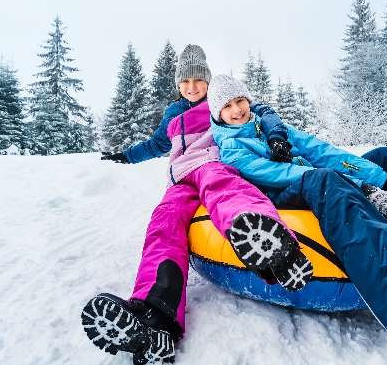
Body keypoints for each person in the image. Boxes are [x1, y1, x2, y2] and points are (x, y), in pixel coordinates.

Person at [207, 74, 387, 365]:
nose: (237, 109)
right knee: (324, 179)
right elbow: (284, 175)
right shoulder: (233, 150)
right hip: (287, 197)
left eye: (240, 100)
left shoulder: (270, 126)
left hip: (319, 177)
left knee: (382, 157)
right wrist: (362, 187)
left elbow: (321, 151)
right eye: (228, 106)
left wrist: (378, 176)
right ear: (217, 115)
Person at [81, 46, 313, 365]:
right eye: (185, 81)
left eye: (198, 80)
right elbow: (155, 145)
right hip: (180, 178)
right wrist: (123, 155)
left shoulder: (218, 101)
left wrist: (276, 138)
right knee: (163, 224)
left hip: (212, 164)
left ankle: (274, 245)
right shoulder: (172, 115)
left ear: (207, 81)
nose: (192, 86)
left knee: (224, 190)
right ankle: (154, 318)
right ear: (178, 84)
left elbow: (263, 112)